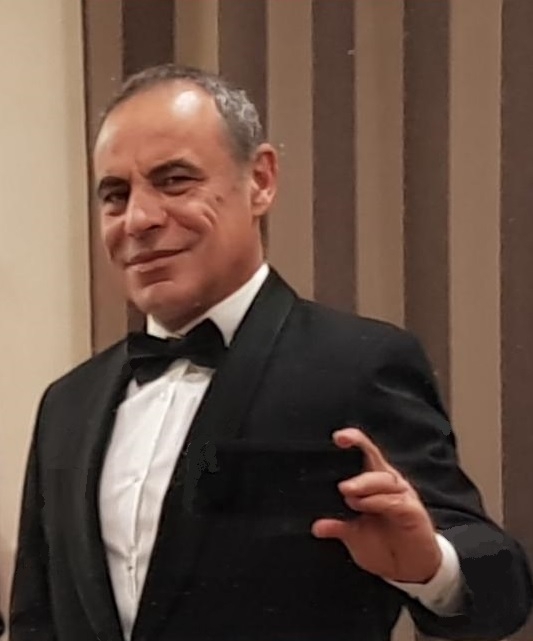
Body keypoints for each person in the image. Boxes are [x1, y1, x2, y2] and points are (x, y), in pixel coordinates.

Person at [9, 64, 532, 641]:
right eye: (115, 195)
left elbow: (502, 590)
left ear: (259, 181)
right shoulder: (67, 404)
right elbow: (37, 620)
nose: (139, 219)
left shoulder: (358, 365)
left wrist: (430, 566)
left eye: (175, 181)